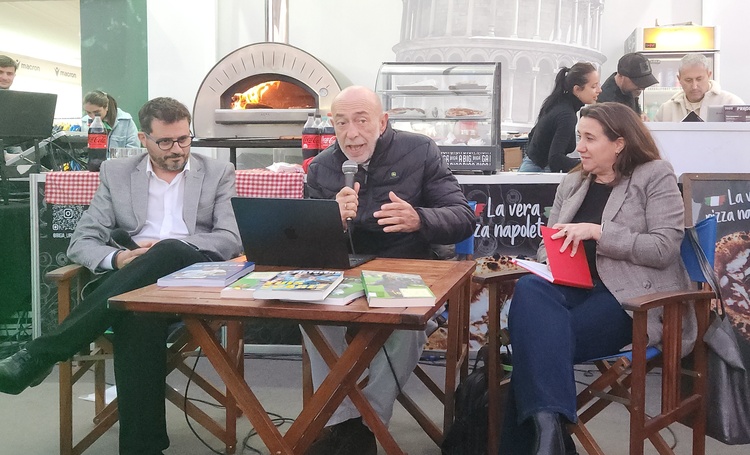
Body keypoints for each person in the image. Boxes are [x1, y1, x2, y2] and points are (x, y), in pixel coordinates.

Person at [0, 97, 242, 455]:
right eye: (165, 141)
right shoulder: (117, 173)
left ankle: (42, 353)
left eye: (184, 139)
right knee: (136, 315)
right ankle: (142, 448)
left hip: (193, 279)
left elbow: (229, 238)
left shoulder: (217, 172)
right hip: (132, 285)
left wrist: (166, 247)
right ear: (144, 138)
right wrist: (119, 258)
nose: (178, 149)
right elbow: (82, 241)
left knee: (168, 250)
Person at [500, 102, 695, 455]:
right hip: (571, 288)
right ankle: (550, 433)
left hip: (628, 299)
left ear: (619, 143)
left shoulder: (654, 175)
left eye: (590, 138)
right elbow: (548, 244)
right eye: (579, 137)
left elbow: (664, 248)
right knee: (530, 287)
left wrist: (599, 232)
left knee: (535, 342)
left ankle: (548, 435)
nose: (579, 148)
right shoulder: (573, 182)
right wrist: (551, 260)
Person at [304, 86, 475, 455]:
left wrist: (420, 218)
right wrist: (329, 221)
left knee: (405, 326)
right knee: (311, 317)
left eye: (361, 121)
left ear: (382, 122)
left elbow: (463, 218)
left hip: (409, 271)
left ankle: (365, 423)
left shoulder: (420, 151)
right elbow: (305, 243)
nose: (352, 134)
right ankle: (342, 421)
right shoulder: (321, 168)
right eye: (341, 123)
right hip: (346, 277)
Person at [519, 62, 601, 173]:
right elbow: (555, 159)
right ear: (577, 89)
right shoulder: (566, 114)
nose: (599, 90)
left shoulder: (557, 103)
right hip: (539, 172)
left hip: (532, 167)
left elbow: (533, 135)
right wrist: (590, 165)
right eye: (593, 86)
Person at [655, 53, 744, 122]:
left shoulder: (731, 103)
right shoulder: (666, 110)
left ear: (709, 75)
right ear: (679, 79)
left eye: (699, 79)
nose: (694, 86)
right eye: (688, 80)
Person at [597, 53, 658, 119]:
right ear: (621, 76)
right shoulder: (607, 103)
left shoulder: (627, 90)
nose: (642, 88)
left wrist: (640, 114)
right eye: (637, 82)